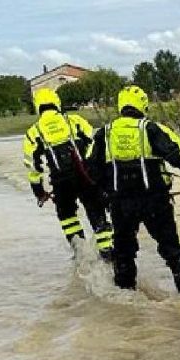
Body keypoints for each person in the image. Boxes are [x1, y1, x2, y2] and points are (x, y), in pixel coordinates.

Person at [86, 85, 180, 296]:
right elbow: (179, 157)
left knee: (123, 252)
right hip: (155, 202)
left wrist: (106, 192)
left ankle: (125, 297)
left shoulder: (103, 134)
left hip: (121, 205)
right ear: (143, 105)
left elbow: (90, 168)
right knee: (173, 250)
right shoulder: (151, 129)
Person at [22, 87, 113, 259]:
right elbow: (95, 146)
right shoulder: (75, 121)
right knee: (96, 212)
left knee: (67, 218)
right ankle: (108, 253)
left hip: (60, 183)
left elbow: (33, 167)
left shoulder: (33, 132)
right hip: (85, 176)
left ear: (37, 106)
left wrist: (39, 192)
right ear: (57, 103)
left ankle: (80, 255)